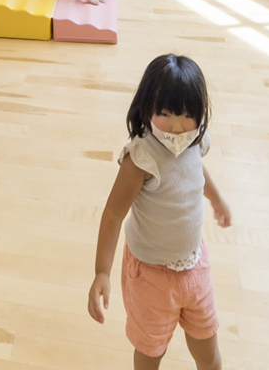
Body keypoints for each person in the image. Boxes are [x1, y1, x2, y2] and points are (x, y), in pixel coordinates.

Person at [87, 53, 231, 370]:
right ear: (147, 107)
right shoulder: (140, 158)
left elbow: (196, 171)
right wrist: (101, 271)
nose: (177, 127)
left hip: (195, 266)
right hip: (151, 278)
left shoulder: (195, 140)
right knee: (150, 353)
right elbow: (113, 214)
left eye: (187, 115)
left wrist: (216, 198)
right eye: (165, 114)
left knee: (209, 354)